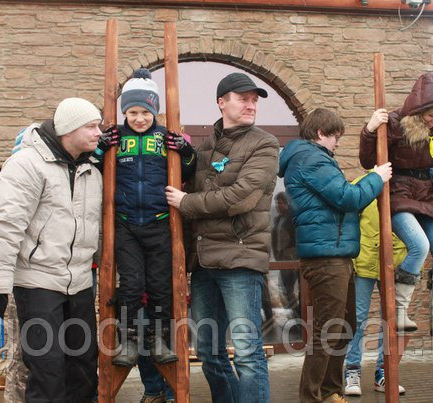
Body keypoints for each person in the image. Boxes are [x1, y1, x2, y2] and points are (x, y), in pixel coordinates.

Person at [0, 97, 112, 402]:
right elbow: (5, 226)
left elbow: (98, 229)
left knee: (82, 367)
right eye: (91, 127)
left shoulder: (92, 171)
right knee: (47, 368)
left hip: (79, 283)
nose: (98, 133)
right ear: (68, 129)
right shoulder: (26, 165)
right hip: (37, 284)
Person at [165, 72, 278, 403]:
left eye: (254, 100)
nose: (250, 105)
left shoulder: (265, 143)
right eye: (243, 98)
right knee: (208, 351)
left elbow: (241, 197)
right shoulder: (205, 147)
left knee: (246, 352)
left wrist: (187, 203)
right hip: (204, 263)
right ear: (221, 102)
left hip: (241, 259)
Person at [279, 107, 391, 403]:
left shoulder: (311, 158)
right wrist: (376, 178)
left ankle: (329, 392)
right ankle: (313, 397)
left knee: (344, 327)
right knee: (327, 331)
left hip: (337, 255)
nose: (338, 143)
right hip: (326, 258)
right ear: (320, 134)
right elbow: (348, 197)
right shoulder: (311, 158)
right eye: (335, 137)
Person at [359, 72, 433, 335]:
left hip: (427, 194)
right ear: (420, 108)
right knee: (419, 245)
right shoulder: (395, 122)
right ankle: (400, 311)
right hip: (399, 192)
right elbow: (367, 159)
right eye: (432, 115)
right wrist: (370, 130)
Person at [111, 68, 196, 367]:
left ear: (155, 112)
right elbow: (96, 165)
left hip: (160, 222)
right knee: (132, 285)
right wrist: (100, 148)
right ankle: (129, 339)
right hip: (126, 224)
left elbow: (188, 169)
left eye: (145, 112)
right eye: (132, 112)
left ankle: (159, 338)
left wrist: (186, 151)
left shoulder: (163, 138)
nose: (139, 118)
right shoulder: (116, 138)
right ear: (124, 112)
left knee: (161, 285)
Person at [343, 197, 407, 396]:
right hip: (365, 261)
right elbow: (349, 222)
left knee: (390, 320)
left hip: (394, 261)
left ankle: (385, 372)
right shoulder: (364, 184)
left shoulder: (402, 183)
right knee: (358, 318)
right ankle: (352, 371)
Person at [271, 191, 300, 318]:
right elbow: (275, 239)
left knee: (290, 289)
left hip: (293, 260)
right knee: (285, 291)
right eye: (276, 203)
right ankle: (296, 315)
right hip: (282, 260)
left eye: (280, 203)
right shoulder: (278, 220)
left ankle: (300, 316)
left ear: (287, 204)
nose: (278, 205)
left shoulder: (292, 218)